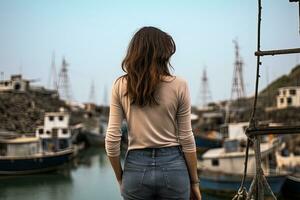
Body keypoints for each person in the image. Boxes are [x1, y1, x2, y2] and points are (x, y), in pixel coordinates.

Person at [105, 26, 202, 200]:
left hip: (135, 167)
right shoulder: (180, 85)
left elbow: (112, 138)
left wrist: (120, 177)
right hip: (174, 167)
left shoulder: (120, 85)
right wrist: (194, 182)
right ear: (163, 54)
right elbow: (187, 138)